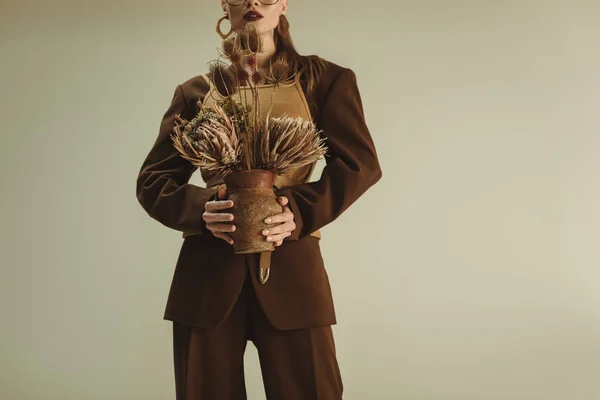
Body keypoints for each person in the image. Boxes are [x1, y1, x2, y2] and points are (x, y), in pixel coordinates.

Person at [135, 0, 382, 398]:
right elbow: (153, 181)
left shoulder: (324, 80)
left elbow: (360, 165)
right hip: (206, 279)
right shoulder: (196, 92)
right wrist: (202, 211)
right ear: (224, 5)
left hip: (293, 273)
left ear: (283, 4)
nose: (253, 3)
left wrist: (298, 211)